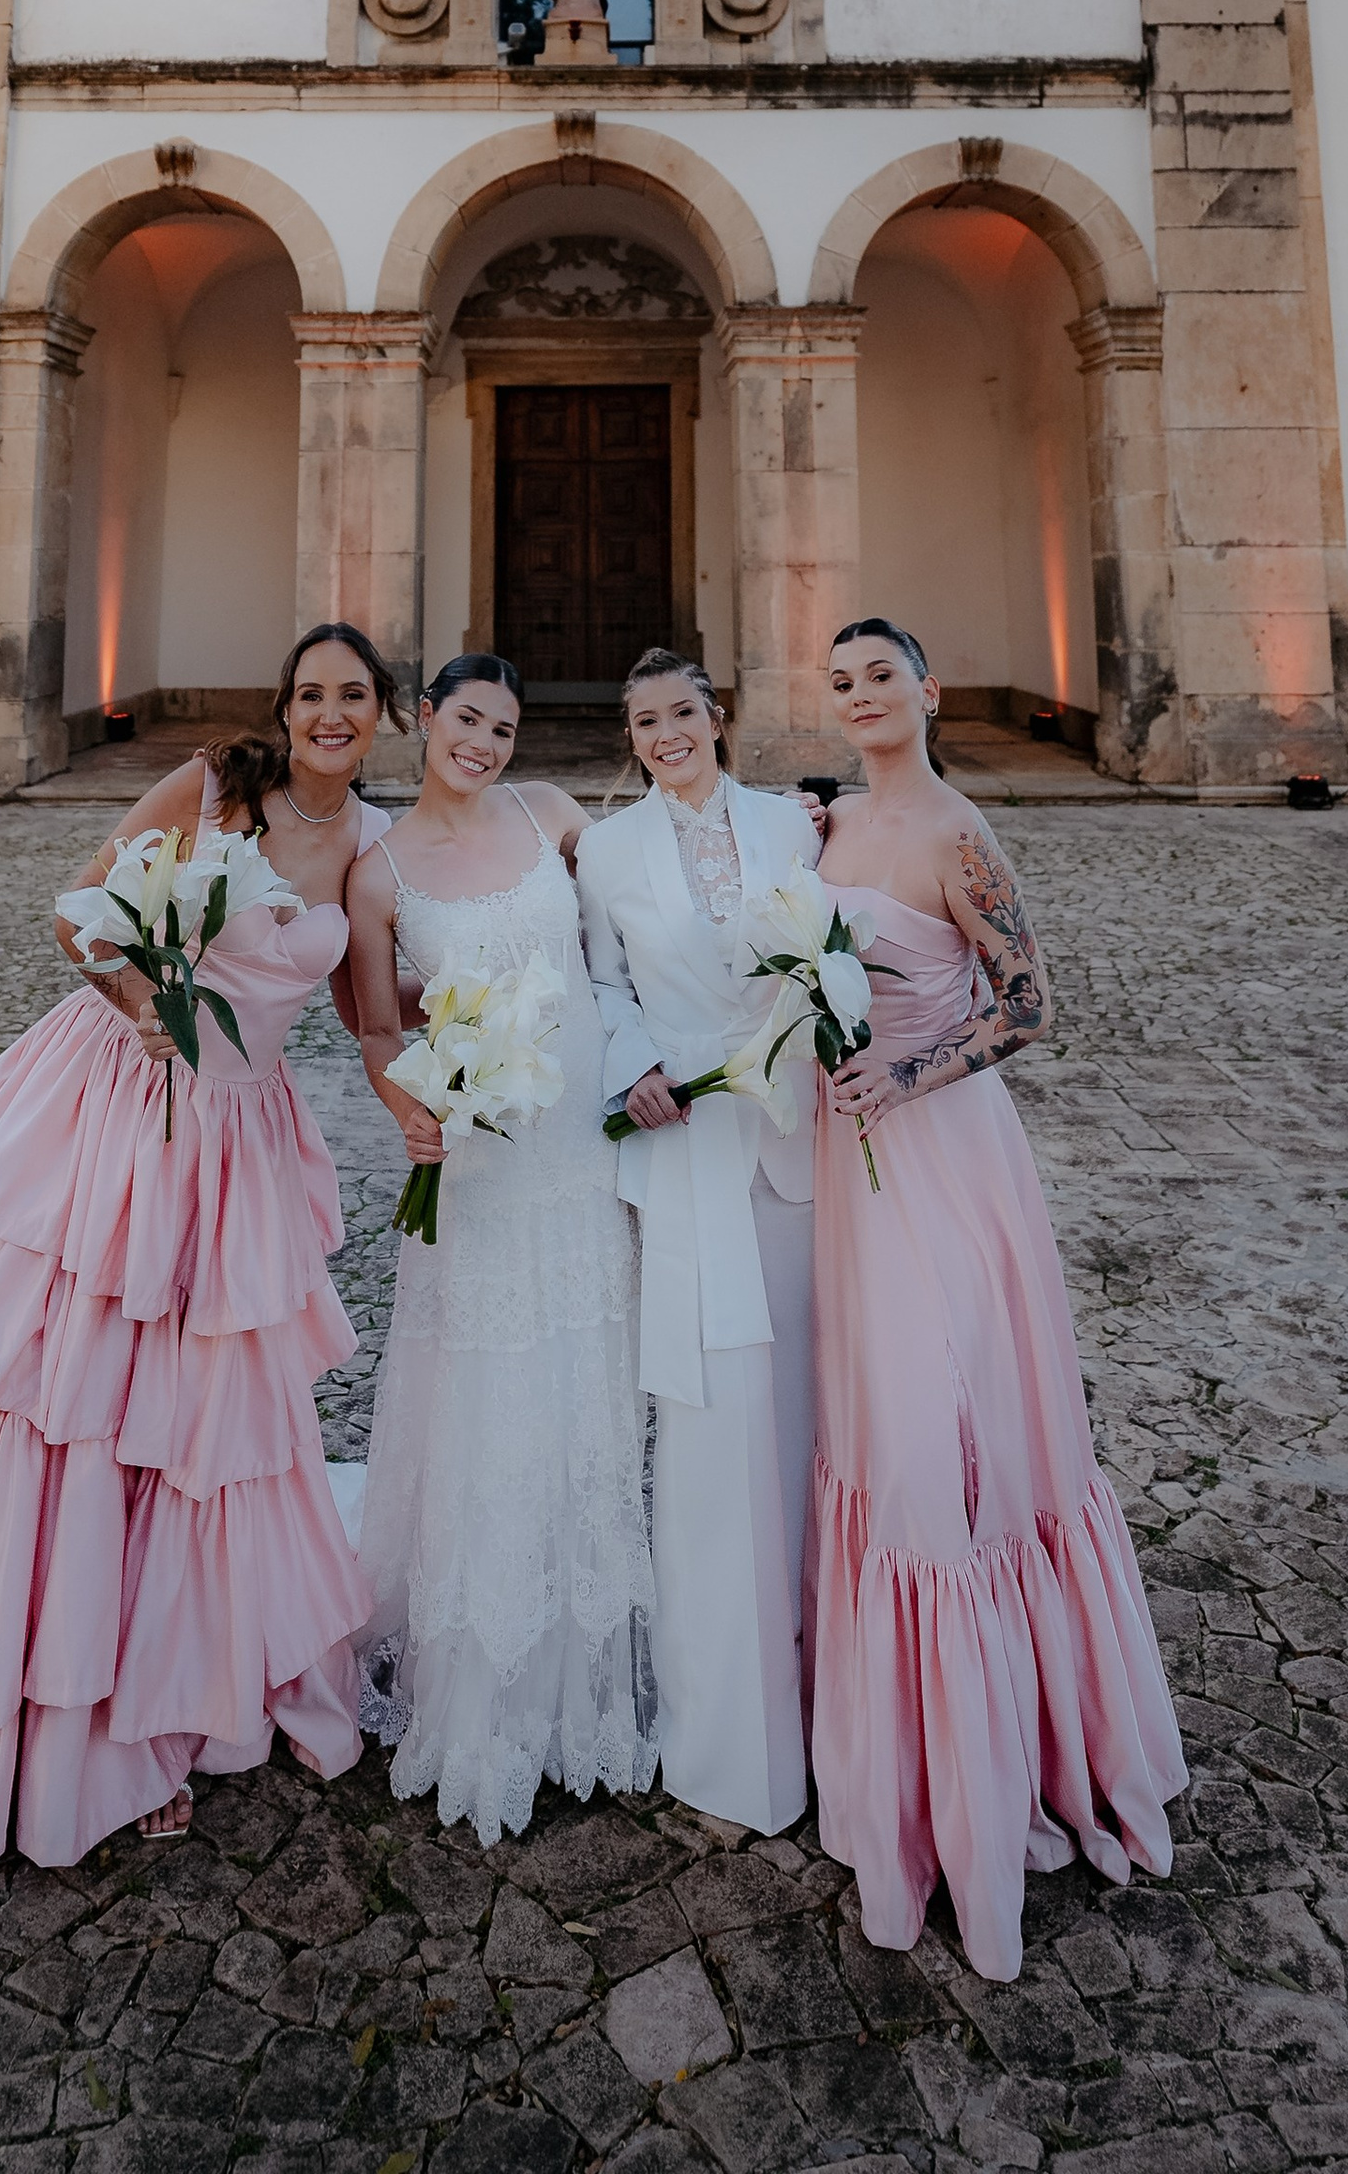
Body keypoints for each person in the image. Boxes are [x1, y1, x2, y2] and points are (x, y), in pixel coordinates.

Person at [0, 625, 399, 1874]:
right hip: (116, 1110)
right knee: (72, 1405)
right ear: (284, 704)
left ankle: (174, 1696)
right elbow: (77, 915)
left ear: (384, 715)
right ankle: (64, 1711)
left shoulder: (374, 850)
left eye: (354, 697)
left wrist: (458, 1090)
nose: (330, 714)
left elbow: (370, 1016)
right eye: (310, 692)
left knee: (202, 1425)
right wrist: (146, 1002)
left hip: (236, 1144)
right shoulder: (212, 788)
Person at [806, 616, 1186, 1984]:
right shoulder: (829, 823)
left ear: (930, 687)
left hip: (945, 1156)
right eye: (841, 681)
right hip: (847, 1168)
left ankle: (997, 1752)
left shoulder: (959, 835)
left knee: (946, 1434)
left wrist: (905, 1078)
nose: (861, 697)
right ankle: (892, 1748)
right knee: (874, 1420)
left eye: (882, 676)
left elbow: (1029, 1002)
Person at [347, 652, 655, 1842]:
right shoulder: (376, 874)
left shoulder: (557, 815)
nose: (485, 743)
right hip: (476, 1158)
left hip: (576, 1140)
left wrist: (798, 824)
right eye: (467, 720)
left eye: (505, 728)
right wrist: (406, 1107)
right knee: (486, 1386)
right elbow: (378, 1019)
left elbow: (653, 891)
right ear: (426, 721)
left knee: (583, 1376)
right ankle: (484, 1683)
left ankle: (585, 1670)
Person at [577, 648, 821, 1835]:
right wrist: (636, 1069)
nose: (665, 733)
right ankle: (726, 1735)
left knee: (813, 1415)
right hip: (684, 1152)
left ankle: (838, 1692)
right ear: (629, 739)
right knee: (714, 1433)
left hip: (799, 1158)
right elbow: (600, 984)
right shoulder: (608, 850)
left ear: (718, 718)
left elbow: (833, 959)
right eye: (643, 721)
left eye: (682, 712)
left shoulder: (793, 827)